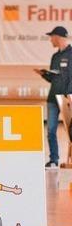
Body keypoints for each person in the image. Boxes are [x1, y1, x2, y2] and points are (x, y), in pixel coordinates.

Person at [34, 26, 72, 169]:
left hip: (67, 98)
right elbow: (54, 79)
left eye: (52, 37)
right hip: (52, 98)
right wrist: (44, 74)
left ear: (58, 37)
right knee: (50, 130)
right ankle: (53, 160)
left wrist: (69, 94)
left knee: (71, 132)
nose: (50, 40)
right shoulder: (55, 57)